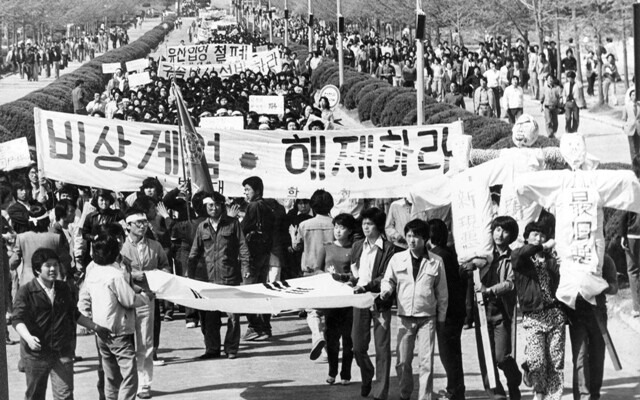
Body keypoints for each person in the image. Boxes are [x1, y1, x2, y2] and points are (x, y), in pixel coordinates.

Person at [12, 248, 109, 400]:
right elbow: (17, 319)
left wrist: (95, 327)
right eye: (48, 265)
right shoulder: (26, 291)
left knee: (65, 395)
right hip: (36, 355)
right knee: (35, 395)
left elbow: (74, 313)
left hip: (62, 351)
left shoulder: (64, 288)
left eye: (55, 265)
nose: (53, 269)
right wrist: (28, 338)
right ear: (37, 269)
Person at [380, 219, 448, 400]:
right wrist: (386, 291)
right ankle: (405, 393)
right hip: (404, 317)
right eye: (409, 235)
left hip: (427, 317)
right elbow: (388, 280)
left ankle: (425, 397)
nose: (411, 240)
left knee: (426, 362)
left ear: (425, 238)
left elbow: (442, 294)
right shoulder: (397, 259)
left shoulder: (436, 261)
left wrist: (441, 319)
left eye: (416, 236)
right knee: (403, 361)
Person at [462, 216, 521, 400]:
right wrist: (469, 265)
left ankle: (514, 380)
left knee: (502, 357)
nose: (499, 235)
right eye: (497, 230)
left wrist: (489, 291)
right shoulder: (482, 254)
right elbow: (465, 270)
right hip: (481, 312)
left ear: (511, 235)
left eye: (505, 231)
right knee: (486, 357)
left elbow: (511, 283)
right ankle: (497, 394)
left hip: (501, 312)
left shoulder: (513, 257)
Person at [79, 231, 143, 400]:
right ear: (115, 253)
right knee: (129, 374)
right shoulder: (115, 275)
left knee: (111, 375)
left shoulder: (93, 273)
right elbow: (129, 300)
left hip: (100, 330)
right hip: (118, 329)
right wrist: (145, 297)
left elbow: (84, 298)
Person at [188, 191, 250, 359]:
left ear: (222, 206)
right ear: (205, 207)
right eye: (210, 205)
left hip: (229, 277)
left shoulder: (233, 224)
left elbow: (243, 248)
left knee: (233, 316)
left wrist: (245, 269)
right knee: (210, 317)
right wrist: (189, 276)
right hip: (208, 279)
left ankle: (231, 349)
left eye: (216, 205)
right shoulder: (202, 227)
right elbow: (194, 253)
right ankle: (212, 349)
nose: (214, 208)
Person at [511, 222, 566, 400]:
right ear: (526, 238)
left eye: (542, 235)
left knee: (555, 360)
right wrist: (541, 247)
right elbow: (523, 252)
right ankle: (538, 386)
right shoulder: (520, 257)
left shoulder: (552, 260)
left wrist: (560, 263)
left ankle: (550, 396)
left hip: (554, 314)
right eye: (534, 234)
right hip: (533, 316)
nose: (539, 238)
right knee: (538, 360)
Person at [120, 208, 171, 399]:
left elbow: (165, 267)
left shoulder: (155, 246)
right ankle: (126, 382)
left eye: (144, 222)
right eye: (138, 223)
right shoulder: (120, 247)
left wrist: (152, 276)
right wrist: (132, 275)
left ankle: (144, 384)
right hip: (124, 300)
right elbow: (114, 271)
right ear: (128, 226)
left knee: (145, 342)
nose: (142, 226)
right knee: (124, 343)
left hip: (146, 298)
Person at [349, 207, 395, 400]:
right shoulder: (358, 246)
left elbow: (386, 275)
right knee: (357, 345)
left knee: (382, 348)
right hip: (360, 300)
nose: (366, 227)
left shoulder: (389, 248)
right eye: (363, 223)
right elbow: (354, 271)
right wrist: (349, 279)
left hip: (380, 300)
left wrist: (367, 286)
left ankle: (381, 391)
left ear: (378, 226)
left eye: (369, 224)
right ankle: (367, 371)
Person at [567, 255, 618, 400]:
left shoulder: (605, 259)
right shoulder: (571, 257)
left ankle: (594, 395)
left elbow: (614, 287)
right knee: (580, 356)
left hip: (598, 313)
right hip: (577, 313)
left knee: (597, 356)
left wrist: (600, 286)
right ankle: (583, 396)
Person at [294, 189, 336, 360]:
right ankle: (328, 347)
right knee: (331, 312)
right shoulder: (337, 224)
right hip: (332, 271)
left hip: (310, 271)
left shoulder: (304, 225)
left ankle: (318, 338)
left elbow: (297, 246)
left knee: (313, 310)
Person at [428, 219, 467, 400]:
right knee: (453, 353)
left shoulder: (436, 256)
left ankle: (454, 391)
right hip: (456, 310)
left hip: (446, 311)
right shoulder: (450, 252)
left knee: (448, 354)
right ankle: (457, 390)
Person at [317, 213, 357, 385]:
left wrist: (342, 277)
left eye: (342, 228)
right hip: (331, 298)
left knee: (348, 338)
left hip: (348, 299)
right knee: (331, 337)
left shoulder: (354, 249)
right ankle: (332, 372)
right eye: (336, 227)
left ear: (350, 231)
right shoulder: (326, 247)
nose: (338, 231)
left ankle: (346, 374)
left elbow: (356, 274)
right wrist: (327, 276)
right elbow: (317, 269)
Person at [240, 176, 275, 341]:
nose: (245, 193)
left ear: (257, 190)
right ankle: (265, 327)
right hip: (264, 252)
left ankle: (254, 326)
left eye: (248, 189)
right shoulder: (267, 205)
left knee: (249, 291)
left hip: (252, 254)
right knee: (262, 290)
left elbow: (243, 228)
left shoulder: (253, 206)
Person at [621, 155, 640, 317]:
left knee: (633, 271)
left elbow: (624, 214)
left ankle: (637, 307)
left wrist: (622, 235)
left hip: (633, 234)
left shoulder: (631, 187)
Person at [540, 75, 562, 139]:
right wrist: (541, 106)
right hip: (547, 107)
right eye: (549, 79)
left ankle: (554, 132)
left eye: (551, 79)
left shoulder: (557, 88)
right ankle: (550, 134)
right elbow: (542, 98)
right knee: (548, 121)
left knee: (555, 122)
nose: (550, 80)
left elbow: (559, 97)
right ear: (546, 80)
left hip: (555, 107)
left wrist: (560, 105)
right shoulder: (544, 89)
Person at [622, 88, 640, 160]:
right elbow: (624, 118)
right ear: (630, 96)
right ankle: (633, 162)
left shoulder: (639, 106)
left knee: (638, 147)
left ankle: (638, 163)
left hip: (638, 128)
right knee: (632, 147)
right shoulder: (626, 106)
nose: (634, 96)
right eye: (632, 95)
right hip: (630, 128)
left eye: (635, 95)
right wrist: (625, 126)